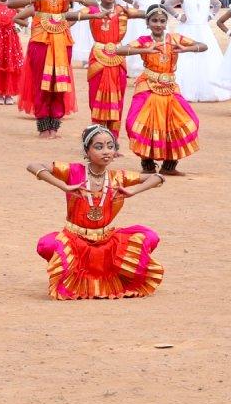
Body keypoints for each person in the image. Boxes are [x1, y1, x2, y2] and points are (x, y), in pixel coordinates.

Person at [29, 125, 167, 300]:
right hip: (75, 239)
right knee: (46, 244)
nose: (106, 152)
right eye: (99, 147)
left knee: (149, 237)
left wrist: (134, 191)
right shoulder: (74, 171)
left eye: (111, 146)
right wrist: (63, 185)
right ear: (87, 150)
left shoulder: (118, 177)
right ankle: (71, 270)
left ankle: (110, 274)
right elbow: (33, 165)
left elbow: (158, 177)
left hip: (107, 241)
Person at [10, 0, 94, 136]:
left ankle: (55, 126)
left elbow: (93, 3)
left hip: (63, 38)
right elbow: (11, 2)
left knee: (60, 81)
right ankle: (42, 125)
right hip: (41, 38)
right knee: (41, 81)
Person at [114, 4, 205, 174]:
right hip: (148, 85)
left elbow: (203, 45)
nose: (158, 24)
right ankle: (147, 163)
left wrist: (187, 49)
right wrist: (146, 49)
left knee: (182, 121)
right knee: (136, 123)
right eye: (154, 21)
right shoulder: (143, 41)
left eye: (162, 21)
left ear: (166, 23)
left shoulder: (174, 38)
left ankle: (169, 166)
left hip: (170, 87)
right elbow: (119, 50)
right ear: (147, 23)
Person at [84, 0, 142, 136]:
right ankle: (96, 138)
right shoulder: (92, 9)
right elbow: (71, 16)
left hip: (118, 56)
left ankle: (112, 140)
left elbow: (146, 14)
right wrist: (93, 14)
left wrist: (157, 10)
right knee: (95, 97)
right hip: (98, 57)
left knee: (118, 98)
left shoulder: (122, 10)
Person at [171, 0, 231, 102]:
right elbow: (167, 4)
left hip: (204, 31)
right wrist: (178, 16)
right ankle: (184, 90)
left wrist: (210, 16)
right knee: (185, 59)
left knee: (207, 59)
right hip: (187, 29)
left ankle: (207, 90)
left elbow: (218, 5)